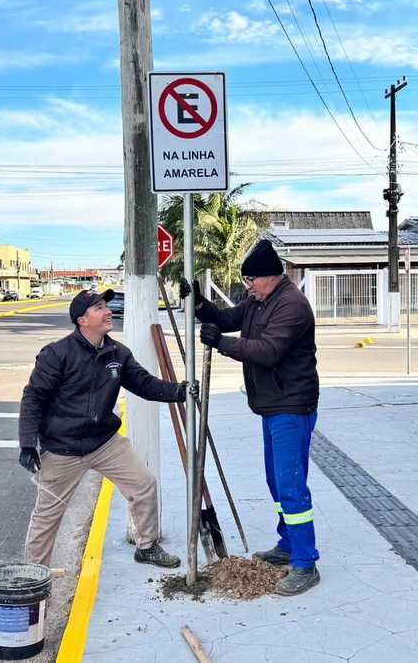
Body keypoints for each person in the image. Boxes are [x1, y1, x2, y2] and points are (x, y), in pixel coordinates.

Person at [181, 239, 321, 596]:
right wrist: (199, 304)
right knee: (277, 483)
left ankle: (306, 564)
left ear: (270, 277)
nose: (248, 288)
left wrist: (222, 344)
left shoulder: (292, 305)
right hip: (272, 404)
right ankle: (287, 544)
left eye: (251, 281)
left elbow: (269, 351)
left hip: (292, 405)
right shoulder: (260, 301)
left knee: (291, 485)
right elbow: (227, 318)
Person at [19, 288, 189, 568]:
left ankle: (146, 546)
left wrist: (179, 391)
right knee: (47, 516)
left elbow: (144, 384)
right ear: (81, 320)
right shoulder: (56, 354)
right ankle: (34, 573)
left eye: (105, 307)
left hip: (104, 442)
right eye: (99, 308)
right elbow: (33, 398)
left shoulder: (117, 353)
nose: (108, 311)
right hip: (63, 447)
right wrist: (27, 444)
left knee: (144, 484)